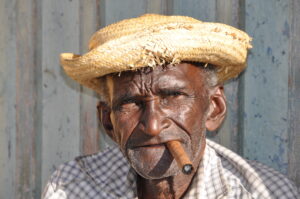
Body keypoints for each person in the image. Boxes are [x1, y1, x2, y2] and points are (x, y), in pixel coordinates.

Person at [42, 14, 299, 199]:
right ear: (108, 122)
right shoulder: (72, 187)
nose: (153, 126)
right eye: (130, 102)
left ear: (214, 108)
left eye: (173, 95)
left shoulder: (264, 193)